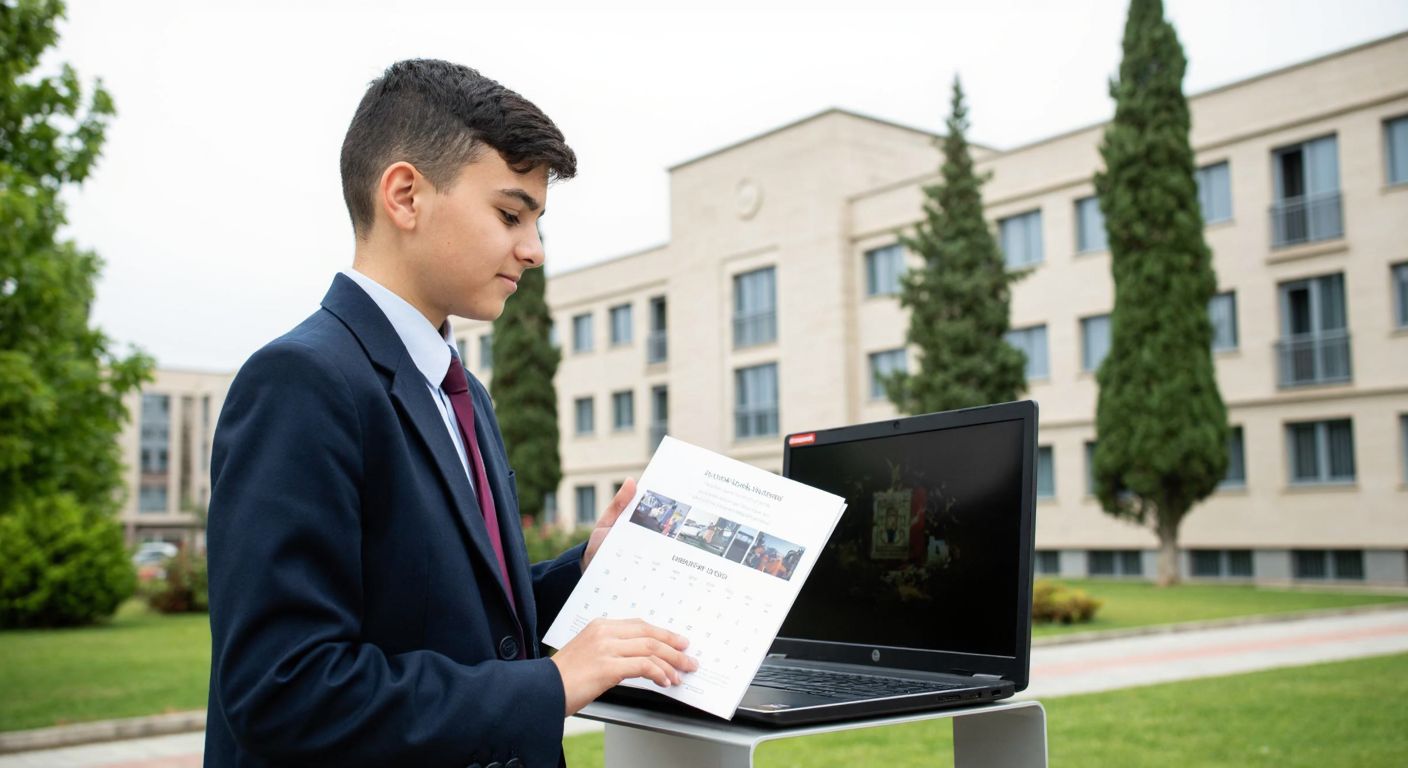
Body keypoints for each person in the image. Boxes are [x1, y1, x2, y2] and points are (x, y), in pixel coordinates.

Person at [204, 60, 696, 768]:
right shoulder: (301, 382)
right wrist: (550, 686)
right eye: (509, 214)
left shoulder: (462, 390)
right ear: (405, 195)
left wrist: (586, 567)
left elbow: (458, 621)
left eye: (537, 221)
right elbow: (286, 691)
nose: (533, 250)